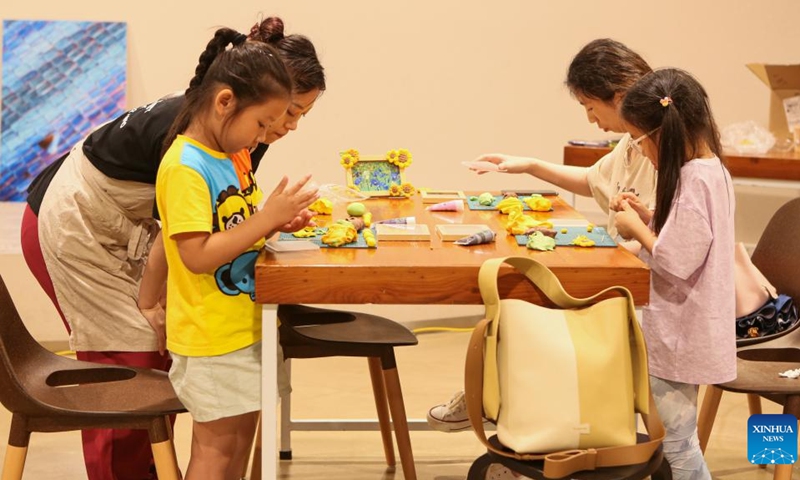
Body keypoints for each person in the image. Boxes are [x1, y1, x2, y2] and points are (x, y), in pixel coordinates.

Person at [19, 16, 325, 480]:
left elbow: (215, 219)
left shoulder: (232, 132)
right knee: (129, 363)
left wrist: (267, 223)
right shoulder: (191, 148)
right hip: (74, 225)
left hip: (127, 230)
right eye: (286, 113)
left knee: (165, 370)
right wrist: (150, 297)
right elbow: (187, 237)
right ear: (239, 97)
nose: (288, 127)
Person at [427, 39, 655, 437]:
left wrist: (626, 240)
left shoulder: (658, 148)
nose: (590, 119)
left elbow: (653, 235)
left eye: (589, 106)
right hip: (620, 266)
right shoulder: (633, 143)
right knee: (516, 289)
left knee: (519, 294)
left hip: (636, 282)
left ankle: (499, 404)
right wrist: (528, 165)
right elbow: (592, 181)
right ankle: (500, 404)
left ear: (618, 96)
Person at [148, 27, 318, 478]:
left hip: (243, 327)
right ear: (225, 102)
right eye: (261, 123)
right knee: (217, 452)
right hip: (211, 338)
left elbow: (233, 227)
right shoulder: (186, 165)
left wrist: (276, 222)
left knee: (240, 446)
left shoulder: (227, 157)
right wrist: (265, 219)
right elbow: (198, 255)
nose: (265, 135)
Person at [613, 68, 735, 479]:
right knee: (680, 440)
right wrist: (649, 217)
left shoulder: (693, 179)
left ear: (661, 133)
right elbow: (692, 237)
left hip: (682, 331)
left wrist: (636, 230)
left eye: (639, 140)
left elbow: (677, 260)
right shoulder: (712, 168)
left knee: (679, 444)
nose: (641, 151)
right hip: (695, 326)